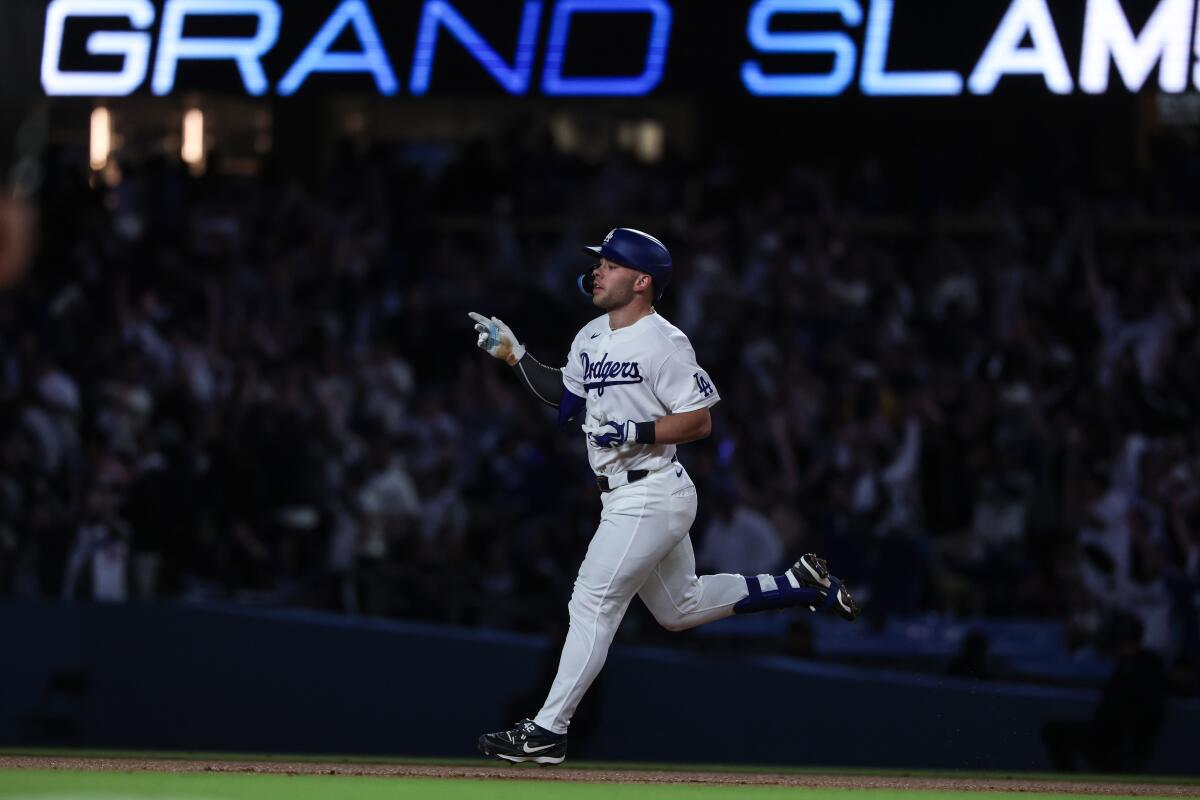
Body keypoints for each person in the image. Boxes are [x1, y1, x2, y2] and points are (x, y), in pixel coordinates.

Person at [469, 228, 860, 765]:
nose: (598, 270)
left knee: (591, 603)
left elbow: (698, 422)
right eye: (599, 263)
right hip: (631, 495)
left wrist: (634, 431)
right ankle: (794, 584)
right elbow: (566, 400)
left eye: (609, 263)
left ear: (641, 281)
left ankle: (547, 731)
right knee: (680, 609)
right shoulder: (590, 335)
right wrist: (515, 356)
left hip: (650, 491)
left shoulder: (665, 341)